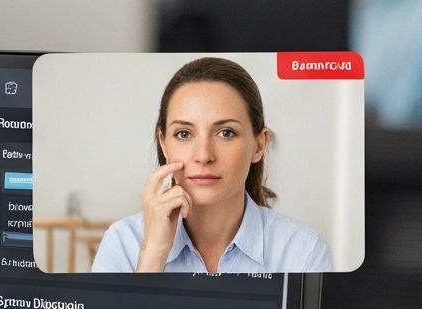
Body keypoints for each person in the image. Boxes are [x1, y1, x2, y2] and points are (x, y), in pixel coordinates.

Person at [93, 57, 334, 275]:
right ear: (164, 144)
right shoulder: (123, 242)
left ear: (259, 145)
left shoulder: (303, 250)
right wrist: (153, 254)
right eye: (184, 134)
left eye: (226, 133)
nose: (203, 155)